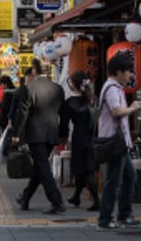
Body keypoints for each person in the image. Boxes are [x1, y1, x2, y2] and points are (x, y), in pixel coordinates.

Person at [95, 51, 141, 230]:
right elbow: (116, 111)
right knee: (113, 180)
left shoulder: (115, 87)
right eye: (127, 71)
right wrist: (132, 108)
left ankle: (124, 215)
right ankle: (105, 219)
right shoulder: (111, 88)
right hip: (114, 142)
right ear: (118, 72)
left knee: (128, 177)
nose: (130, 75)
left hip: (120, 143)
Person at [11, 57, 67, 213]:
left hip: (35, 134)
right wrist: (63, 133)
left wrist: (16, 134)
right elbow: (63, 113)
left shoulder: (28, 88)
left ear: (34, 71)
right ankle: (25, 197)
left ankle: (57, 202)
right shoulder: (58, 89)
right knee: (40, 167)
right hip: (52, 132)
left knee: (43, 167)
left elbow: (22, 113)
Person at [59, 71, 99, 211]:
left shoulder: (69, 103)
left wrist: (63, 138)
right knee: (85, 168)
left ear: (73, 84)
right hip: (91, 137)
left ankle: (97, 201)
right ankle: (76, 196)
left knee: (84, 170)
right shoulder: (90, 99)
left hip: (78, 137)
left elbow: (64, 124)